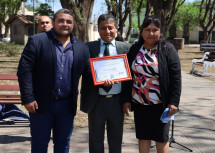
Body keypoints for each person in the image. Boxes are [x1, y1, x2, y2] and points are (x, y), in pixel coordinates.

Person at [17, 9, 90, 153]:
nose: (65, 24)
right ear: (54, 23)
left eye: (68, 21)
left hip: (67, 105)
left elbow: (89, 74)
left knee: (63, 144)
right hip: (40, 104)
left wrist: (107, 78)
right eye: (61, 21)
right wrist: (28, 98)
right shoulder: (37, 41)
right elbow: (24, 71)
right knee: (39, 144)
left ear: (73, 24)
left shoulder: (82, 48)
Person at [122, 16, 181, 153]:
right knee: (143, 137)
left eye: (155, 30)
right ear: (142, 31)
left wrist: (174, 102)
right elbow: (128, 76)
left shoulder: (168, 49)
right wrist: (126, 100)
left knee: (161, 138)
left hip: (161, 104)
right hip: (140, 103)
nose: (151, 33)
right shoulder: (134, 49)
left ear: (160, 32)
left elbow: (176, 78)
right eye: (147, 29)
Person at [80, 14, 131, 153]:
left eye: (110, 28)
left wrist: (127, 101)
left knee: (116, 140)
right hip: (96, 101)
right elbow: (85, 71)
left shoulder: (125, 48)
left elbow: (129, 79)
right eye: (103, 28)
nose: (107, 31)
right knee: (95, 141)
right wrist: (101, 82)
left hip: (117, 102)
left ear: (116, 29)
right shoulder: (88, 47)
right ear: (98, 29)